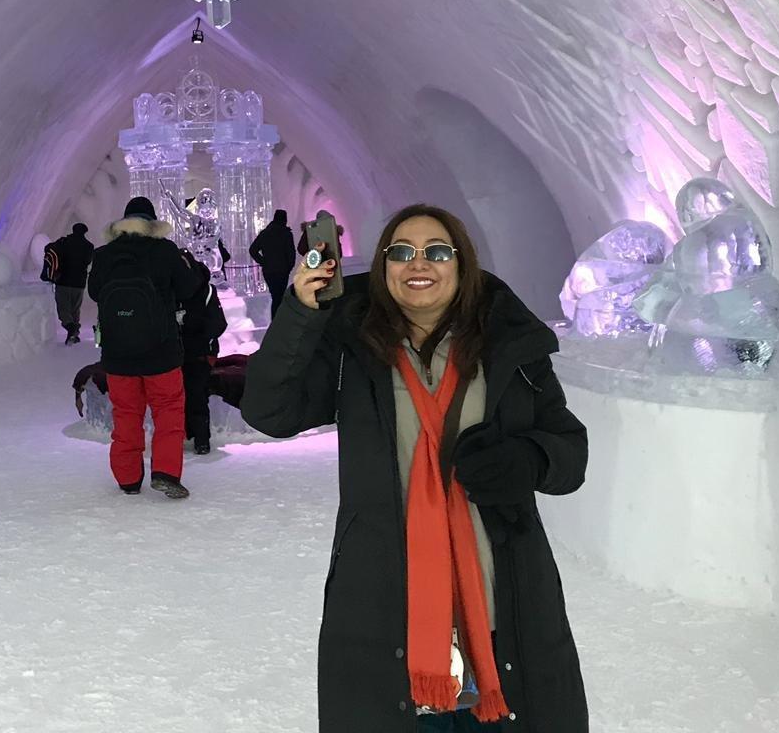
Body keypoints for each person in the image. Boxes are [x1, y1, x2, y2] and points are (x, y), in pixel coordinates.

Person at [242, 204, 589, 731]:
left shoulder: (509, 346)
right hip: (388, 602)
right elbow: (270, 411)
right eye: (400, 252)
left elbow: (569, 451)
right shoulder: (353, 350)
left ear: (462, 263)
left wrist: (528, 459)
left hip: (500, 601)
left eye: (436, 252)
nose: (417, 263)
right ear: (382, 268)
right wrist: (300, 312)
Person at [86, 197, 203, 499]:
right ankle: (165, 472)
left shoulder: (104, 255)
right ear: (152, 223)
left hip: (117, 354)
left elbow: (96, 292)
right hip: (161, 352)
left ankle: (127, 478)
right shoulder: (165, 251)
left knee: (125, 414)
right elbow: (190, 289)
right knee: (168, 412)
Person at [178, 255, 228, 455]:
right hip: (183, 352)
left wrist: (192, 331)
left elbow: (217, 324)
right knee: (187, 397)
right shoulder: (169, 289)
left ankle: (200, 438)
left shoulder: (205, 292)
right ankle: (191, 437)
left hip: (197, 353)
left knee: (195, 395)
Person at [44, 221, 95, 345]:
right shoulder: (89, 246)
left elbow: (49, 248)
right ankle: (74, 334)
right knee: (75, 309)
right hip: (80, 283)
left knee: (64, 309)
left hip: (63, 281)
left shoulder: (64, 242)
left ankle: (71, 328)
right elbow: (88, 261)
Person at [249, 209, 297, 319]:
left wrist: (263, 262)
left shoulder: (265, 233)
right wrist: (289, 266)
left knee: (275, 296)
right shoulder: (286, 234)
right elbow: (291, 252)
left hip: (269, 271)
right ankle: (278, 321)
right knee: (279, 297)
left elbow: (252, 250)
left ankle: (276, 321)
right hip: (282, 270)